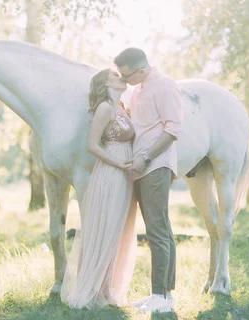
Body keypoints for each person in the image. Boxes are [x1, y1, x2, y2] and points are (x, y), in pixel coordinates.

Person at [61, 68, 138, 309]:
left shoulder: (121, 107)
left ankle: (108, 288)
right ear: (105, 82)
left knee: (119, 228)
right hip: (111, 169)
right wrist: (117, 163)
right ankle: (94, 289)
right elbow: (92, 145)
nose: (121, 76)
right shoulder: (105, 108)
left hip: (125, 171)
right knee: (106, 226)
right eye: (115, 74)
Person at [114, 47, 183, 314]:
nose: (123, 79)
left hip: (156, 164)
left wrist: (148, 157)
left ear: (141, 69)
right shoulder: (138, 90)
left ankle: (161, 296)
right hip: (141, 166)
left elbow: (173, 128)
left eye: (125, 74)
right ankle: (164, 295)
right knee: (160, 228)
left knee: (157, 229)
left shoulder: (165, 86)